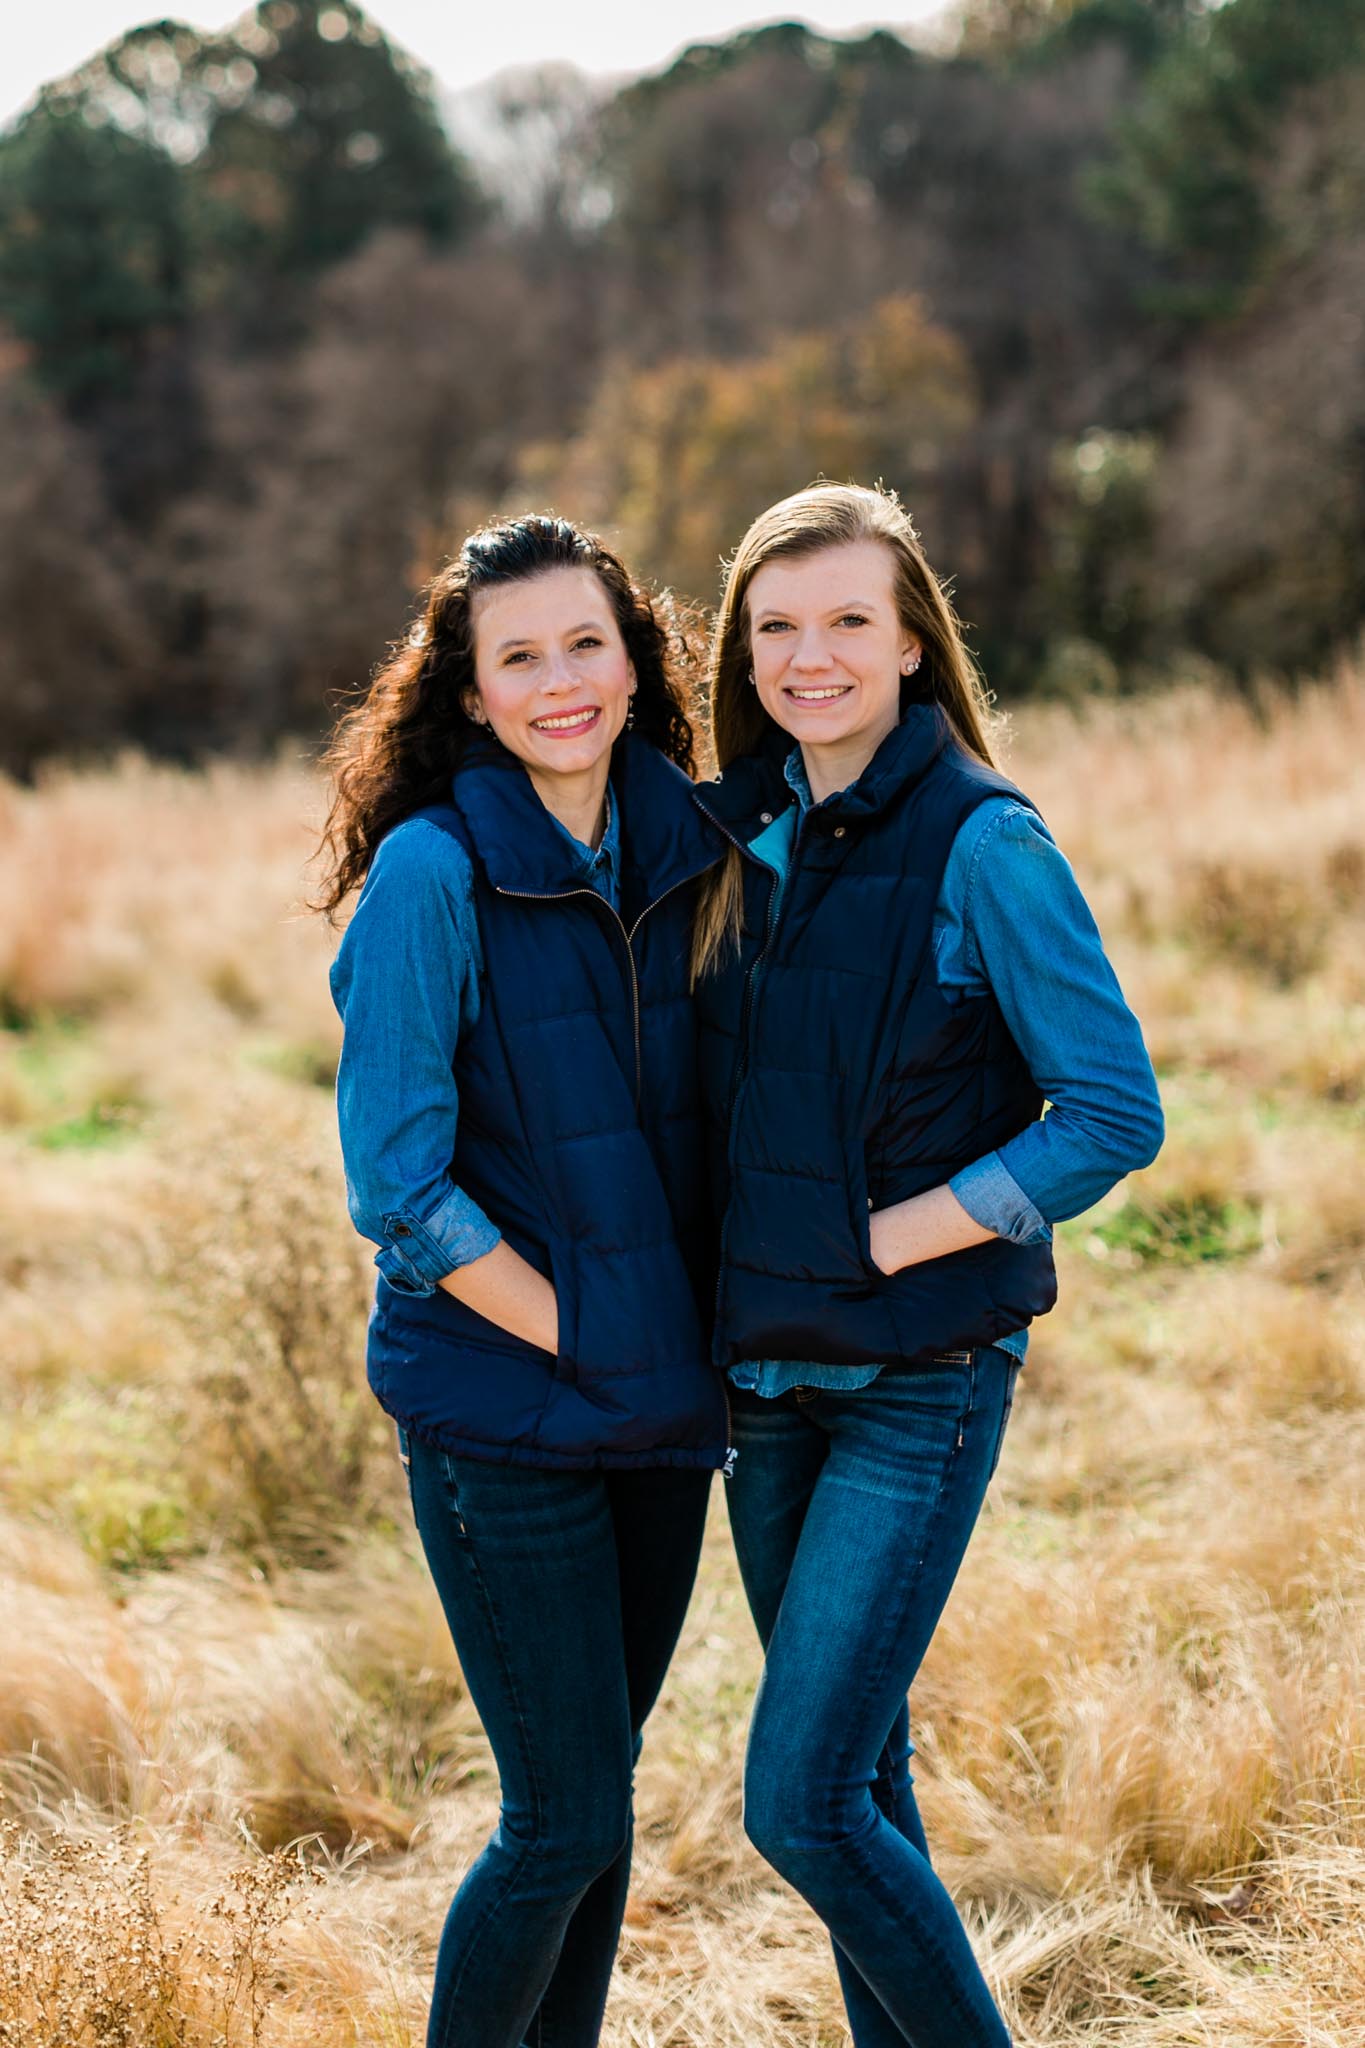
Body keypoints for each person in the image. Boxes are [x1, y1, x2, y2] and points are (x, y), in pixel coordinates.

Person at [690, 482, 1164, 2048]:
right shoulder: (736, 836)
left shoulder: (984, 842)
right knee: (861, 1787)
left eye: (844, 620)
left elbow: (1107, 1111)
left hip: (916, 1382)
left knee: (800, 1805)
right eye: (776, 624)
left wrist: (895, 1231)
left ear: (909, 644)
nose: (807, 653)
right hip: (764, 1384)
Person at [318, 514, 730, 2048]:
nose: (558, 682)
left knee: (602, 1806)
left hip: (660, 1415)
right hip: (504, 1413)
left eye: (584, 644)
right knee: (559, 1816)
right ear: (470, 697)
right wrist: (592, 1332)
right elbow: (399, 1191)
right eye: (518, 658)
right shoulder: (432, 874)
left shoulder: (693, 842)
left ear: (634, 661)